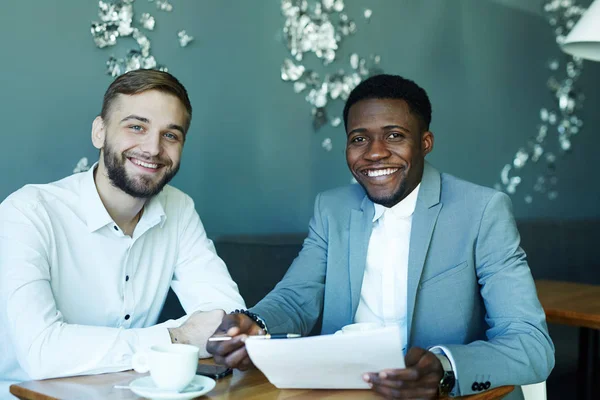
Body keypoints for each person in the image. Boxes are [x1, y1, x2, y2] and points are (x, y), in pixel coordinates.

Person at [207, 74, 554, 399]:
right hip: (345, 391)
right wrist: (253, 322)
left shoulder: (481, 211)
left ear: (425, 143)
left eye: (394, 135)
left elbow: (531, 344)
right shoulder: (332, 209)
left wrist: (445, 368)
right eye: (359, 138)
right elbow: (296, 299)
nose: (374, 152)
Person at [0, 70, 245, 391]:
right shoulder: (27, 212)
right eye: (136, 127)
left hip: (132, 392)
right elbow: (42, 353)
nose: (153, 148)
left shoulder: (179, 208)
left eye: (170, 135)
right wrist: (178, 337)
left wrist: (212, 330)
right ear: (99, 132)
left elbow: (227, 319)